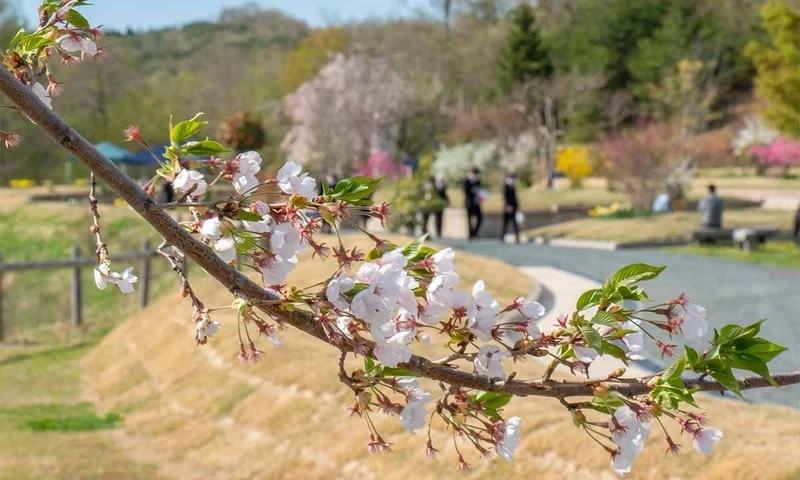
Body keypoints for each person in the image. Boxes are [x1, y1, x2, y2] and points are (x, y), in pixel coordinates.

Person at [500, 173, 520, 243]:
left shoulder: (512, 186)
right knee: (506, 223)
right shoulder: (506, 186)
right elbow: (505, 197)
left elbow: (515, 198)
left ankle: (517, 238)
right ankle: (502, 237)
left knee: (515, 223)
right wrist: (508, 206)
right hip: (508, 208)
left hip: (513, 208)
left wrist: (517, 207)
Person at [463, 168, 482, 239]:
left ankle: (475, 232)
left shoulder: (477, 181)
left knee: (480, 218)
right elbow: (465, 191)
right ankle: (470, 234)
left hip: (476, 203)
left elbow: (480, 189)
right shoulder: (467, 181)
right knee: (469, 218)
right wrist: (472, 190)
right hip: (469, 203)